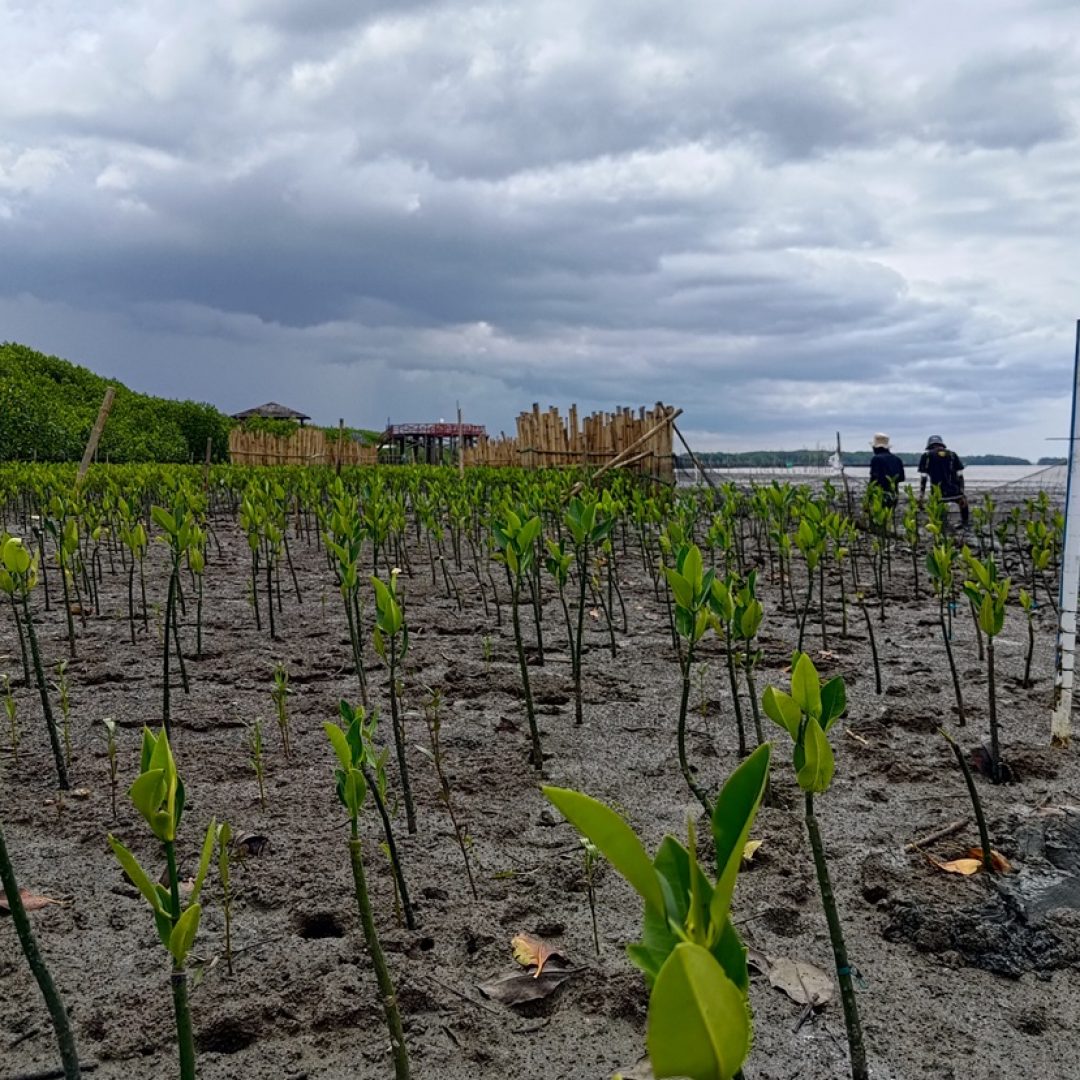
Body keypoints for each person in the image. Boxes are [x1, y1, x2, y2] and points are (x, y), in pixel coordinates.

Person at [919, 435, 969, 528]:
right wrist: (962, 492)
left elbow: (924, 478)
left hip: (938, 492)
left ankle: (941, 524)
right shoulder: (952, 455)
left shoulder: (926, 456)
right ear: (941, 444)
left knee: (937, 511)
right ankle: (965, 523)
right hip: (955, 491)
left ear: (929, 446)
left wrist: (921, 496)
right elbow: (960, 476)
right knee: (963, 502)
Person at [868, 433, 905, 508]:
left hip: (879, 495)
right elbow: (902, 478)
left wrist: (869, 495)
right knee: (890, 516)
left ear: (875, 448)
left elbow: (874, 479)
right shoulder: (897, 459)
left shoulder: (876, 459)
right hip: (894, 494)